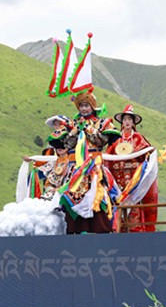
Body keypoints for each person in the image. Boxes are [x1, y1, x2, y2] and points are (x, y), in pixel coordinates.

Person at [60, 90, 121, 233]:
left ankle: (100, 228)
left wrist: (87, 128)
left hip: (94, 164)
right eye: (81, 106)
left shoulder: (102, 123)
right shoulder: (72, 124)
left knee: (97, 193)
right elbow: (67, 144)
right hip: (77, 165)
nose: (84, 109)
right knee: (74, 192)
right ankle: (76, 228)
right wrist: (76, 130)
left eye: (86, 105)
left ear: (92, 106)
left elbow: (101, 141)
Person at [105, 105, 158, 232]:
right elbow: (108, 157)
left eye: (129, 119)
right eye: (125, 119)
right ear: (122, 122)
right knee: (118, 207)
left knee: (134, 209)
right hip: (119, 182)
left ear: (133, 122)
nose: (127, 122)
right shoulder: (117, 140)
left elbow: (147, 154)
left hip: (133, 183)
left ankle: (137, 234)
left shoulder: (138, 138)